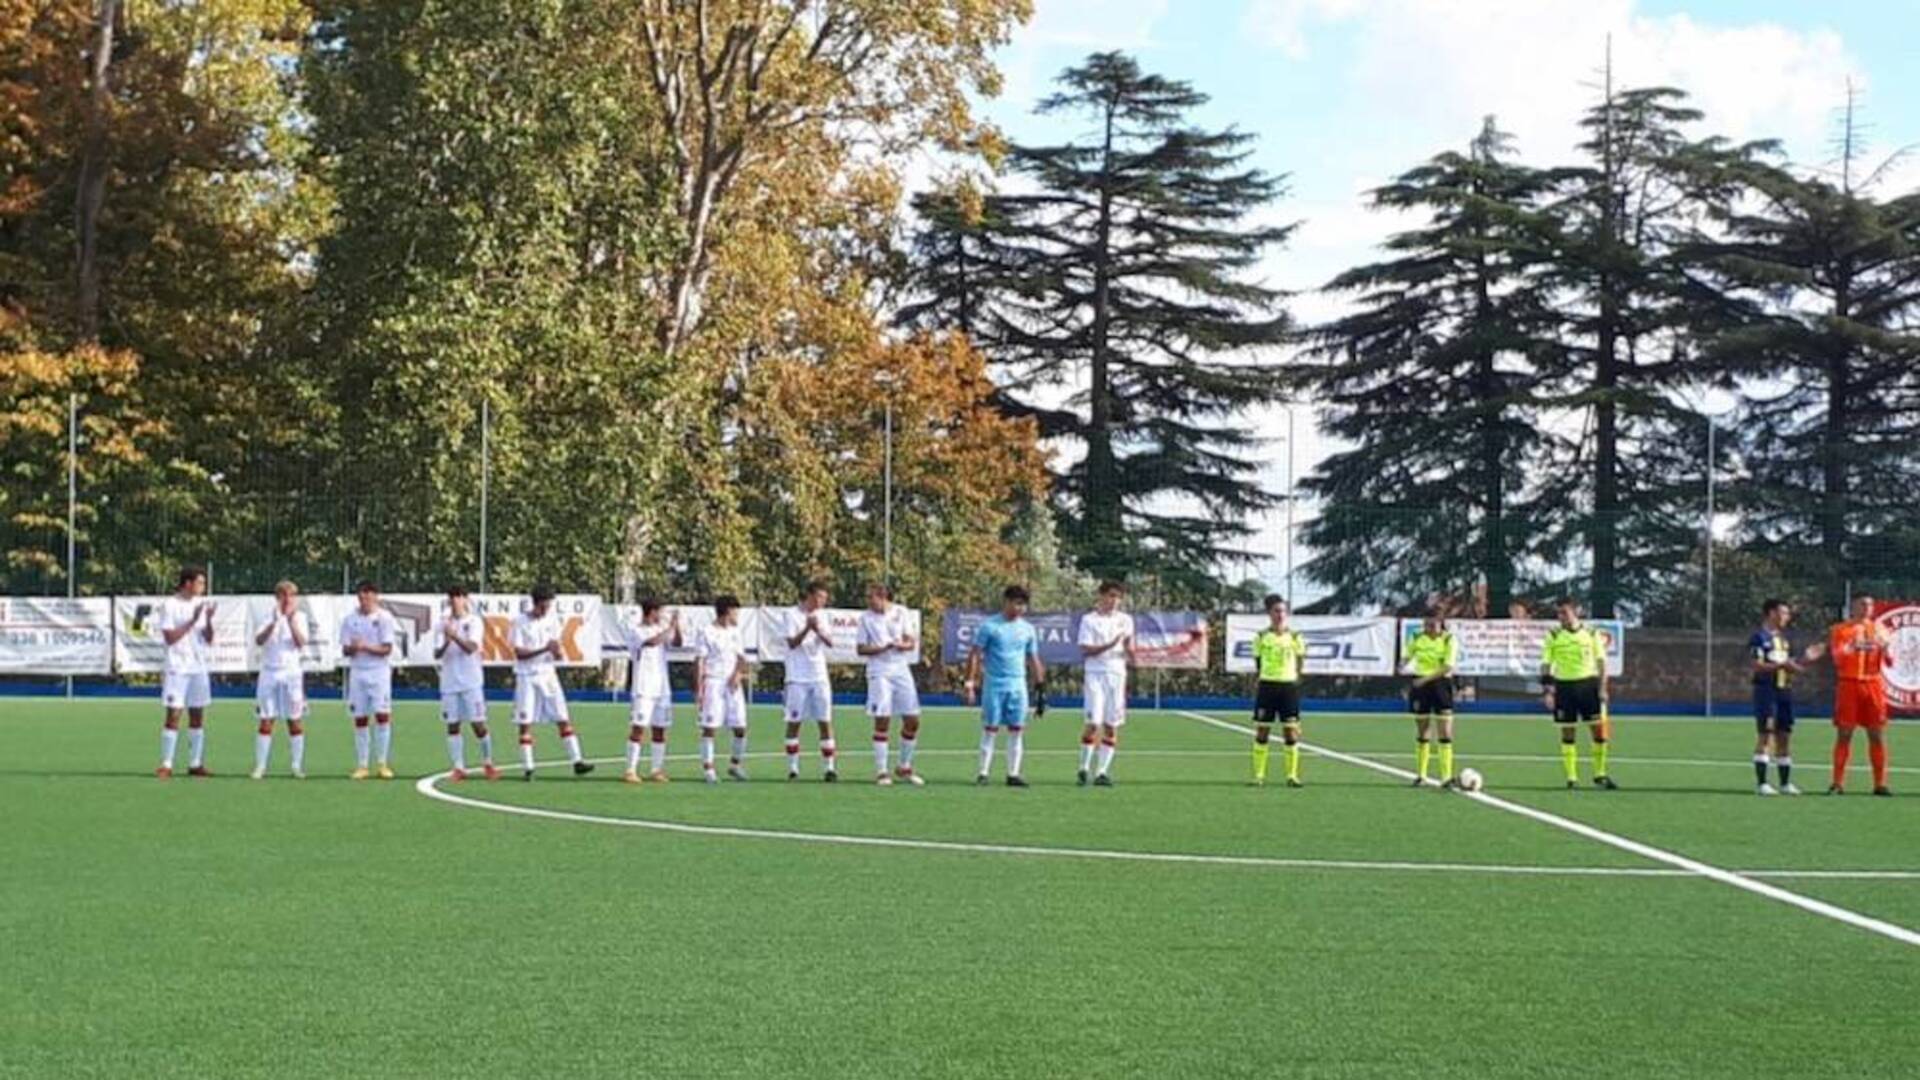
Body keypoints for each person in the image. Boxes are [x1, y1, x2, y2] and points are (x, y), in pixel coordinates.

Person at [963, 585, 1045, 788]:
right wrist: (970, 683)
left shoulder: (1027, 629)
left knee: (1017, 730)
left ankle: (1013, 773)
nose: (1020, 608)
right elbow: (975, 654)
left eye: (1023, 604)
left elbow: (1033, 658)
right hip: (994, 685)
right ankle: (983, 773)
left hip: (1018, 685)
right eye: (1017, 603)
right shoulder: (990, 626)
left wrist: (1040, 689)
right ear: (1006, 602)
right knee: (990, 729)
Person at [510, 584, 594, 780]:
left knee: (563, 718)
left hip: (548, 674)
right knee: (525, 722)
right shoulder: (519, 622)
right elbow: (519, 653)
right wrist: (544, 649)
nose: (546, 610)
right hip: (527, 676)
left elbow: (556, 650)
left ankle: (577, 762)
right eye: (543, 606)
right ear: (535, 604)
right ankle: (528, 767)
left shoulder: (552, 621)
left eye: (548, 606)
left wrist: (556, 651)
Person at [1540, 598, 1615, 791]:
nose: (1561, 617)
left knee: (1599, 732)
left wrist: (1603, 688)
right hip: (1564, 687)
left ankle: (1600, 774)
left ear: (1576, 611)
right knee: (1568, 732)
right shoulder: (1553, 635)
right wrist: (1548, 691)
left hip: (1588, 686)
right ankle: (1571, 778)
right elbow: (1546, 665)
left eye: (1564, 612)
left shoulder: (1591, 633)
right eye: (1558, 613)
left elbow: (1602, 663)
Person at [1825, 595, 1894, 797]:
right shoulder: (1840, 630)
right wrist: (1852, 647)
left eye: (1870, 605)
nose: (1867, 608)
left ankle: (1880, 784)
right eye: (1862, 604)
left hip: (1873, 684)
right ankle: (1837, 783)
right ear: (1853, 607)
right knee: (1844, 733)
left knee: (1877, 734)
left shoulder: (1880, 630)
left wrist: (1886, 648)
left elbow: (1890, 662)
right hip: (1849, 684)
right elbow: (1837, 657)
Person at [858, 583, 923, 786]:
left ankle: (904, 767)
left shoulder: (901, 612)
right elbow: (861, 649)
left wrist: (900, 645)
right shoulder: (865, 618)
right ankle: (881, 771)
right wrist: (879, 648)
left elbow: (911, 642)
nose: (869, 602)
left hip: (901, 670)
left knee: (912, 719)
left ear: (883, 596)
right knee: (882, 719)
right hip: (879, 672)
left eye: (872, 597)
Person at [156, 566, 217, 778]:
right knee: (174, 714)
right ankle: (166, 763)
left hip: (198, 667)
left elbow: (209, 639)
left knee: (198, 714)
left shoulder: (201, 605)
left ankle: (195, 763)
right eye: (200, 582)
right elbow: (170, 638)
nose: (203, 587)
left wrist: (208, 619)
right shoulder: (170, 605)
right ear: (188, 583)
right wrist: (192, 620)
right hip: (178, 667)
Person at [1076, 581, 1135, 787]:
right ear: (1101, 596)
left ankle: (1102, 772)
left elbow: (1128, 645)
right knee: (1094, 723)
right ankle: (1083, 767)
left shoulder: (1125, 620)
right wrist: (1109, 645)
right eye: (1110, 596)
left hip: (1117, 675)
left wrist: (1133, 656)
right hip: (1095, 674)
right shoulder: (1089, 620)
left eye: (1117, 597)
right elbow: (1086, 649)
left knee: (1111, 725)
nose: (1114, 601)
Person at [436, 586, 498, 782]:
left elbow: (471, 648)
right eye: (452, 597)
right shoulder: (442, 624)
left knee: (478, 724)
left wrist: (454, 636)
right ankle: (458, 767)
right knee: (452, 725)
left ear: (465, 599)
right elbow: (436, 653)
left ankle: (488, 762)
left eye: (458, 597)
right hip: (449, 682)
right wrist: (447, 640)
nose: (455, 601)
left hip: (471, 681)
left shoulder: (474, 622)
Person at [780, 582, 839, 782]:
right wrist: (807, 628)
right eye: (820, 597)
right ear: (810, 596)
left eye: (824, 598)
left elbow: (830, 642)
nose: (822, 601)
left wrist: (818, 630)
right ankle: (793, 768)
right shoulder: (791, 614)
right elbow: (791, 643)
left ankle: (829, 768)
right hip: (797, 677)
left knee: (825, 721)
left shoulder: (823, 615)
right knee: (794, 722)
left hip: (819, 676)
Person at [250, 580, 309, 780]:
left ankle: (296, 766)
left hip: (292, 673)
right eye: (284, 595)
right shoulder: (267, 616)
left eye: (291, 595)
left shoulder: (300, 617)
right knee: (266, 720)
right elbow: (259, 640)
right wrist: (275, 622)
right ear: (277, 598)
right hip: (269, 672)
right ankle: (260, 766)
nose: (287, 599)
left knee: (295, 720)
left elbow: (301, 642)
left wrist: (290, 621)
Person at [340, 580, 397, 780]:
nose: (364, 599)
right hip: (358, 673)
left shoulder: (384, 618)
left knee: (382, 715)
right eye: (361, 595)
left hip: (379, 673)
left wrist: (365, 647)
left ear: (375, 596)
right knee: (360, 718)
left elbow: (387, 649)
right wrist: (353, 648)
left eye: (367, 595)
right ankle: (362, 765)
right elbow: (345, 649)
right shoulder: (349, 619)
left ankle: (382, 763)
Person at [1749, 599, 1807, 796]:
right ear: (1771, 613)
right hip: (1766, 691)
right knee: (1765, 734)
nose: (1787, 617)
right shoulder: (1759, 637)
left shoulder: (1784, 639)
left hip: (1784, 691)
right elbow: (1757, 666)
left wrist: (1798, 668)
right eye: (1784, 613)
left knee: (1784, 736)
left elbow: (1790, 665)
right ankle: (1762, 783)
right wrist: (1783, 666)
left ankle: (1785, 783)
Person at [1250, 595, 1307, 788]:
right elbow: (1258, 662)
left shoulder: (1295, 637)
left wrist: (1295, 678)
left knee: (1291, 733)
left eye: (1283, 611)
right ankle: (1259, 775)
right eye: (1276, 611)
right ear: (1269, 613)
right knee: (1262, 731)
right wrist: (1265, 676)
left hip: (1288, 687)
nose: (1280, 615)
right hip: (1267, 686)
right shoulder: (1260, 637)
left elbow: (1300, 661)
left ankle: (1292, 776)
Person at [694, 595, 752, 783]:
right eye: (736, 611)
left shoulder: (736, 632)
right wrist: (700, 688)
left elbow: (742, 659)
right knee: (710, 727)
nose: (738, 615)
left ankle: (735, 765)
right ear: (728, 611)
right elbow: (700, 661)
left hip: (733, 685)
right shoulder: (706, 631)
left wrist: (738, 674)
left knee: (740, 727)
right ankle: (708, 769)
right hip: (713, 682)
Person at [622, 599, 680, 784]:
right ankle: (630, 769)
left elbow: (677, 643)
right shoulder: (636, 630)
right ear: (651, 612)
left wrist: (676, 627)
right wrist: (670, 627)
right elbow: (653, 642)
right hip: (643, 687)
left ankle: (656, 769)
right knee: (638, 728)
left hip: (661, 687)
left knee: (660, 729)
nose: (662, 615)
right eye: (659, 612)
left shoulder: (662, 629)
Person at [1403, 612, 1459, 789]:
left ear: (1440, 624)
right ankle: (1421, 775)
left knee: (1445, 732)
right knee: (1422, 730)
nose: (1428, 629)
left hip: (1441, 685)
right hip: (1421, 686)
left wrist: (1424, 680)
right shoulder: (1417, 637)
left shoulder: (1449, 639)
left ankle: (1446, 777)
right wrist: (1402, 663)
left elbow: (1447, 667)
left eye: (1432, 625)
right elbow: (1407, 655)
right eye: (1425, 625)